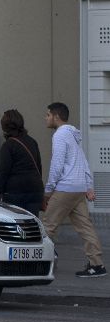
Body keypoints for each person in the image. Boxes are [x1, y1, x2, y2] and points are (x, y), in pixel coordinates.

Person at [43, 102, 106, 277]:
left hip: (65, 187)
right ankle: (97, 264)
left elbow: (57, 164)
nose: (46, 118)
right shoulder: (73, 135)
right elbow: (83, 161)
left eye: (48, 115)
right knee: (85, 227)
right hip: (78, 188)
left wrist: (48, 189)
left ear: (56, 116)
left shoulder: (60, 135)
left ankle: (39, 262)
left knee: (48, 225)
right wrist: (88, 186)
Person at [0, 109, 44, 216]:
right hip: (35, 189)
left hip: (15, 192)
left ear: (5, 127)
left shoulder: (8, 146)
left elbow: (3, 171)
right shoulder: (32, 141)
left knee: (17, 223)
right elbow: (38, 166)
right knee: (32, 222)